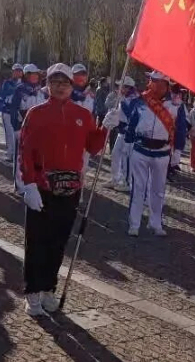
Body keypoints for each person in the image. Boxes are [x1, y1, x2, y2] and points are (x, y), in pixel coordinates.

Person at [18, 63, 113, 316]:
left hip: (70, 189)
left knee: (58, 241)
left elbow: (93, 146)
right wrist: (28, 184)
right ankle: (32, 292)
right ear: (47, 85)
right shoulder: (36, 114)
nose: (60, 87)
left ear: (72, 86)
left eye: (65, 83)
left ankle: (48, 288)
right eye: (55, 82)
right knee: (36, 241)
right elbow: (25, 151)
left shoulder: (81, 115)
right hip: (42, 187)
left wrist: (106, 128)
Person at [125, 72, 178, 237]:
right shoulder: (141, 100)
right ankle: (134, 224)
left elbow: (181, 128)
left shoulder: (175, 104)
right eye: (152, 81)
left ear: (166, 85)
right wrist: (127, 143)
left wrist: (177, 152)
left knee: (158, 191)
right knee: (138, 188)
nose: (153, 84)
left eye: (158, 82)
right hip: (140, 149)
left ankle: (155, 223)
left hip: (162, 152)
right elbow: (132, 122)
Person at [11, 64, 44, 193]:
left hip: (37, 130)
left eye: (36, 74)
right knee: (20, 158)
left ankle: (32, 183)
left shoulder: (41, 91)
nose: (35, 76)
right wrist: (16, 128)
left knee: (34, 158)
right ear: (26, 75)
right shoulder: (19, 90)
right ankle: (19, 185)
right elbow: (14, 110)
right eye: (32, 74)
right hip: (23, 127)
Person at [109, 75, 138, 190]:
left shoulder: (135, 99)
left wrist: (122, 101)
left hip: (129, 132)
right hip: (120, 131)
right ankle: (115, 178)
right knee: (115, 154)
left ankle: (127, 182)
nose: (120, 88)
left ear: (128, 88)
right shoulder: (123, 97)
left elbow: (130, 114)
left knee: (126, 157)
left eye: (123, 86)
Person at [0, 63, 24, 162]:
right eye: (16, 71)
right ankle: (10, 153)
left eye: (19, 71)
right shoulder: (7, 83)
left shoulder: (24, 84)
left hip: (19, 111)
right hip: (7, 110)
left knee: (19, 133)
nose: (17, 73)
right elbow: (2, 95)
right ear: (12, 72)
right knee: (9, 133)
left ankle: (18, 154)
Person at [168, 84, 188, 179]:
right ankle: (169, 167)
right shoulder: (169, 102)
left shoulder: (180, 104)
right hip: (171, 130)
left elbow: (184, 119)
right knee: (170, 149)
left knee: (174, 150)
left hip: (177, 130)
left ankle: (171, 166)